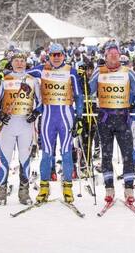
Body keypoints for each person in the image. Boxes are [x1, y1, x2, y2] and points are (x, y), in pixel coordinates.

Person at [27, 43, 83, 204]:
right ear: (48, 56)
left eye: (59, 54)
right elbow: (21, 75)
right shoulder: (41, 69)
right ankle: (44, 187)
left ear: (64, 55)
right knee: (47, 154)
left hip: (66, 117)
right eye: (53, 55)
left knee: (66, 152)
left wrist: (79, 117)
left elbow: (78, 96)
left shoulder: (71, 72)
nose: (56, 57)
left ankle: (67, 187)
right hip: (47, 118)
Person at [89, 42, 135, 205]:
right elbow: (89, 89)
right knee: (106, 155)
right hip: (105, 118)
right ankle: (109, 189)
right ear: (105, 57)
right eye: (110, 55)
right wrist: (87, 74)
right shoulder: (99, 71)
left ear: (119, 56)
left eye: (115, 55)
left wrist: (132, 102)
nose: (113, 57)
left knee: (127, 155)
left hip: (123, 119)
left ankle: (129, 189)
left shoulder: (128, 71)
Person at [0, 51, 41, 205]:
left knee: (25, 161)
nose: (19, 63)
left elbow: (40, 102)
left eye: (22, 61)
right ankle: (1, 192)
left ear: (26, 63)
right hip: (8, 126)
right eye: (16, 61)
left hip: (25, 125)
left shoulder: (33, 81)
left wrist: (36, 113)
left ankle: (24, 193)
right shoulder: (4, 79)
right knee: (5, 161)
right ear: (11, 63)